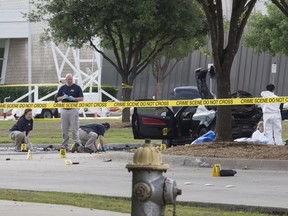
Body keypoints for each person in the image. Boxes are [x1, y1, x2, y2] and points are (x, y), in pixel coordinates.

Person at [56, 73, 84, 151]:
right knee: (64, 129)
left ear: (72, 79)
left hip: (73, 110)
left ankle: (76, 144)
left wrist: (74, 99)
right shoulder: (62, 88)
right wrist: (62, 97)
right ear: (66, 80)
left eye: (71, 79)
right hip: (64, 110)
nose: (70, 81)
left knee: (74, 129)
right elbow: (57, 98)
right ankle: (65, 145)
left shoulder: (77, 87)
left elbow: (81, 98)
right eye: (68, 79)